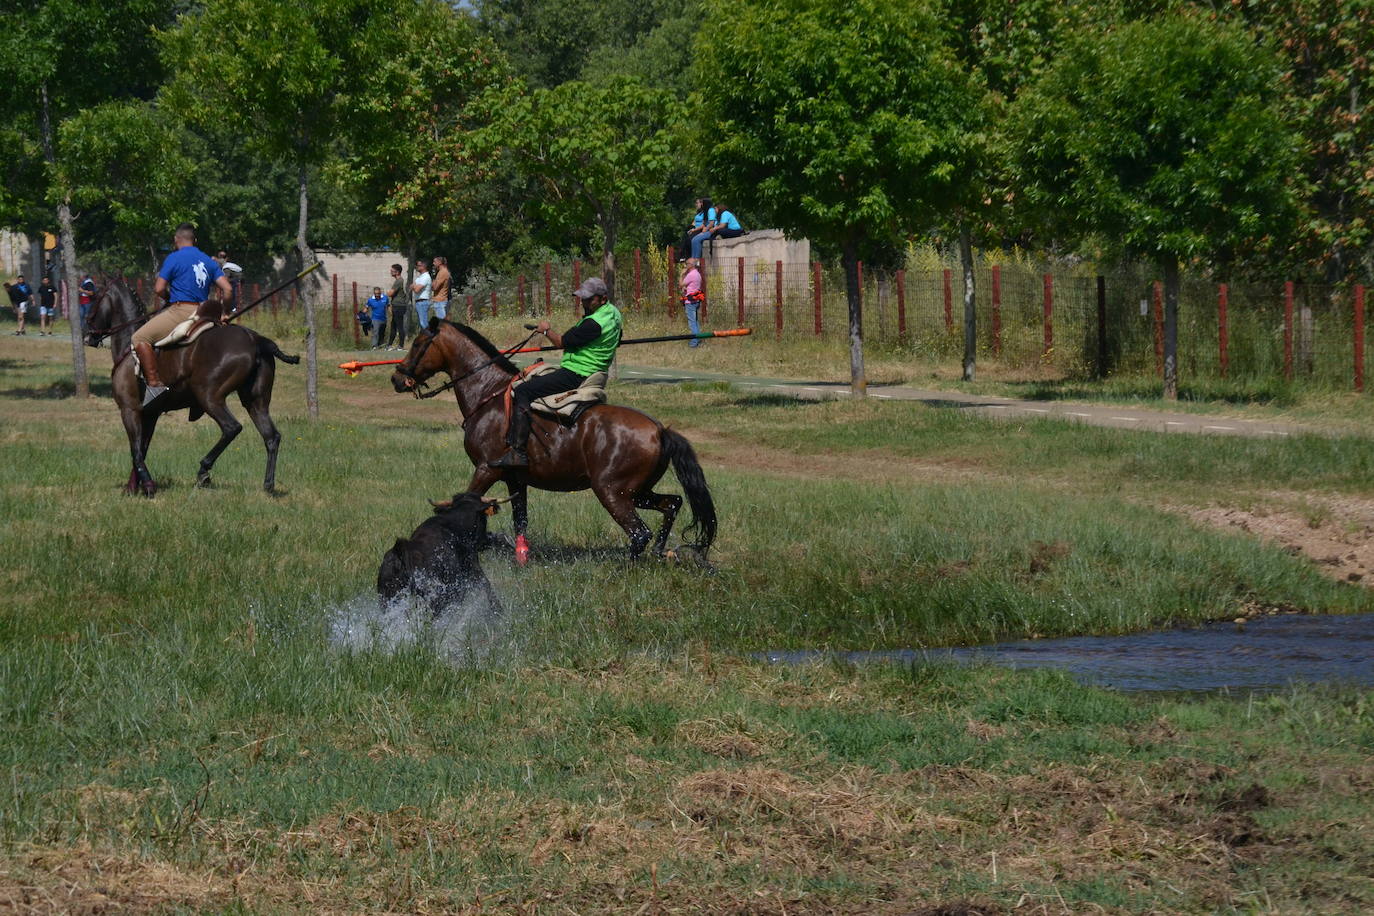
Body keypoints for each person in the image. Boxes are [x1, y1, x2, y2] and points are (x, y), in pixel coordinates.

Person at [489, 277, 623, 469]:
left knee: (523, 391)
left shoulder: (593, 323)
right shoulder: (614, 314)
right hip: (595, 371)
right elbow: (618, 339)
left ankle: (518, 452)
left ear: (602, 298)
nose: (583, 302)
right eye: (582, 298)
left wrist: (545, 331)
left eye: (588, 299)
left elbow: (561, 342)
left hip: (577, 373)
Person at [135, 223, 233, 406]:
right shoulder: (208, 260)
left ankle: (155, 384)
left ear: (175, 240)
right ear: (194, 240)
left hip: (181, 311)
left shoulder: (174, 258)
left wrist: (169, 298)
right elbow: (227, 289)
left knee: (139, 337)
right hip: (205, 313)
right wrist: (225, 312)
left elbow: (159, 288)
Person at [680, 258, 704, 347]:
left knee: (692, 322)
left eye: (687, 263)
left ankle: (694, 342)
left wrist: (682, 275)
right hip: (696, 300)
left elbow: (681, 285)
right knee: (695, 321)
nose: (686, 265)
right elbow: (693, 286)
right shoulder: (698, 274)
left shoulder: (690, 275)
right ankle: (698, 339)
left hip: (690, 302)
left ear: (691, 265)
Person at [386, 263, 409, 350]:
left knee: (399, 326)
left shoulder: (399, 281)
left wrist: (388, 293)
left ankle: (401, 346)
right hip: (396, 305)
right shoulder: (398, 281)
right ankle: (389, 345)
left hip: (399, 306)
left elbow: (390, 293)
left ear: (397, 272)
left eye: (392, 271)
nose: (391, 272)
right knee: (393, 325)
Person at [411, 258, 433, 326]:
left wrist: (414, 286)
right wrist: (414, 286)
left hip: (423, 302)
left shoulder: (426, 277)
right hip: (419, 302)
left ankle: (429, 336)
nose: (417, 267)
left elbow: (416, 289)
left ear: (424, 266)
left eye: (418, 265)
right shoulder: (420, 277)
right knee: (421, 323)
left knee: (424, 323)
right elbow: (412, 286)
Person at [431, 255, 451, 321]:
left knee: (442, 325)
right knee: (443, 324)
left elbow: (435, 287)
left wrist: (432, 282)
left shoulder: (443, 272)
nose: (433, 263)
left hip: (440, 301)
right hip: (440, 301)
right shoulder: (441, 272)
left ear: (439, 262)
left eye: (434, 262)